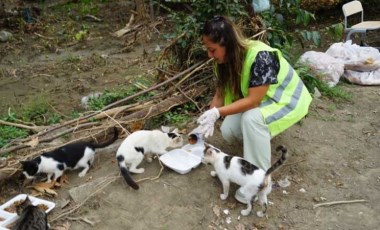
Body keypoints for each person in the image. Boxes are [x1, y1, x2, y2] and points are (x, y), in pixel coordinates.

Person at [192, 15, 312, 203]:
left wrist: (218, 113)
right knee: (228, 130)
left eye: (212, 50)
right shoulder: (222, 63)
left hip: (285, 100)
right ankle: (257, 139)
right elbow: (220, 95)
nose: (210, 55)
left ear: (226, 43)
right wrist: (207, 118)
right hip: (261, 101)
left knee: (252, 119)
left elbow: (254, 101)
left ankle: (259, 182)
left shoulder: (261, 56)